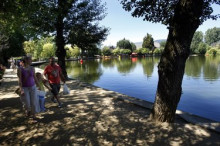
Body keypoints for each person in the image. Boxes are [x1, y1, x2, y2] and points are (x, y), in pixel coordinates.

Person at [17, 56, 40, 122]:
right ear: (26, 60)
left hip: (32, 87)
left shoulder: (32, 68)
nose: (31, 61)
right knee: (27, 103)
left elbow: (35, 78)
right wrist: (21, 89)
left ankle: (34, 116)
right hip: (24, 88)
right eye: (30, 60)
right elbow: (19, 80)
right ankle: (28, 110)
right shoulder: (20, 69)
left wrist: (38, 85)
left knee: (33, 102)